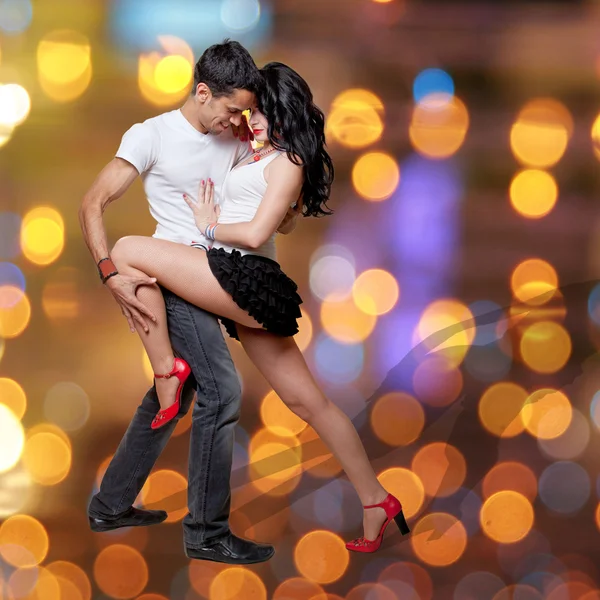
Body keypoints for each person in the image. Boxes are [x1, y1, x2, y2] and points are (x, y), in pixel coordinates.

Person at [104, 61, 411, 554]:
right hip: (236, 278)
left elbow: (254, 233)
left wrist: (206, 224)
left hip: (242, 278)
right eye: (249, 111)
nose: (252, 119)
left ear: (281, 109)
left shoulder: (288, 159)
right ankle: (377, 500)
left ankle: (167, 370)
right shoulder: (258, 154)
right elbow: (283, 223)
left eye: (260, 110)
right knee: (309, 403)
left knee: (124, 251)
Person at [79, 40, 299, 565]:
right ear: (203, 93)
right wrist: (110, 271)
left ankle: (110, 504)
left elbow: (266, 197)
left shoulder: (240, 133)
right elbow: (93, 202)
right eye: (229, 109)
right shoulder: (151, 135)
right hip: (176, 275)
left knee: (176, 389)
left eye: (244, 110)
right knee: (222, 392)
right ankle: (206, 531)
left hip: (219, 272)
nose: (237, 120)